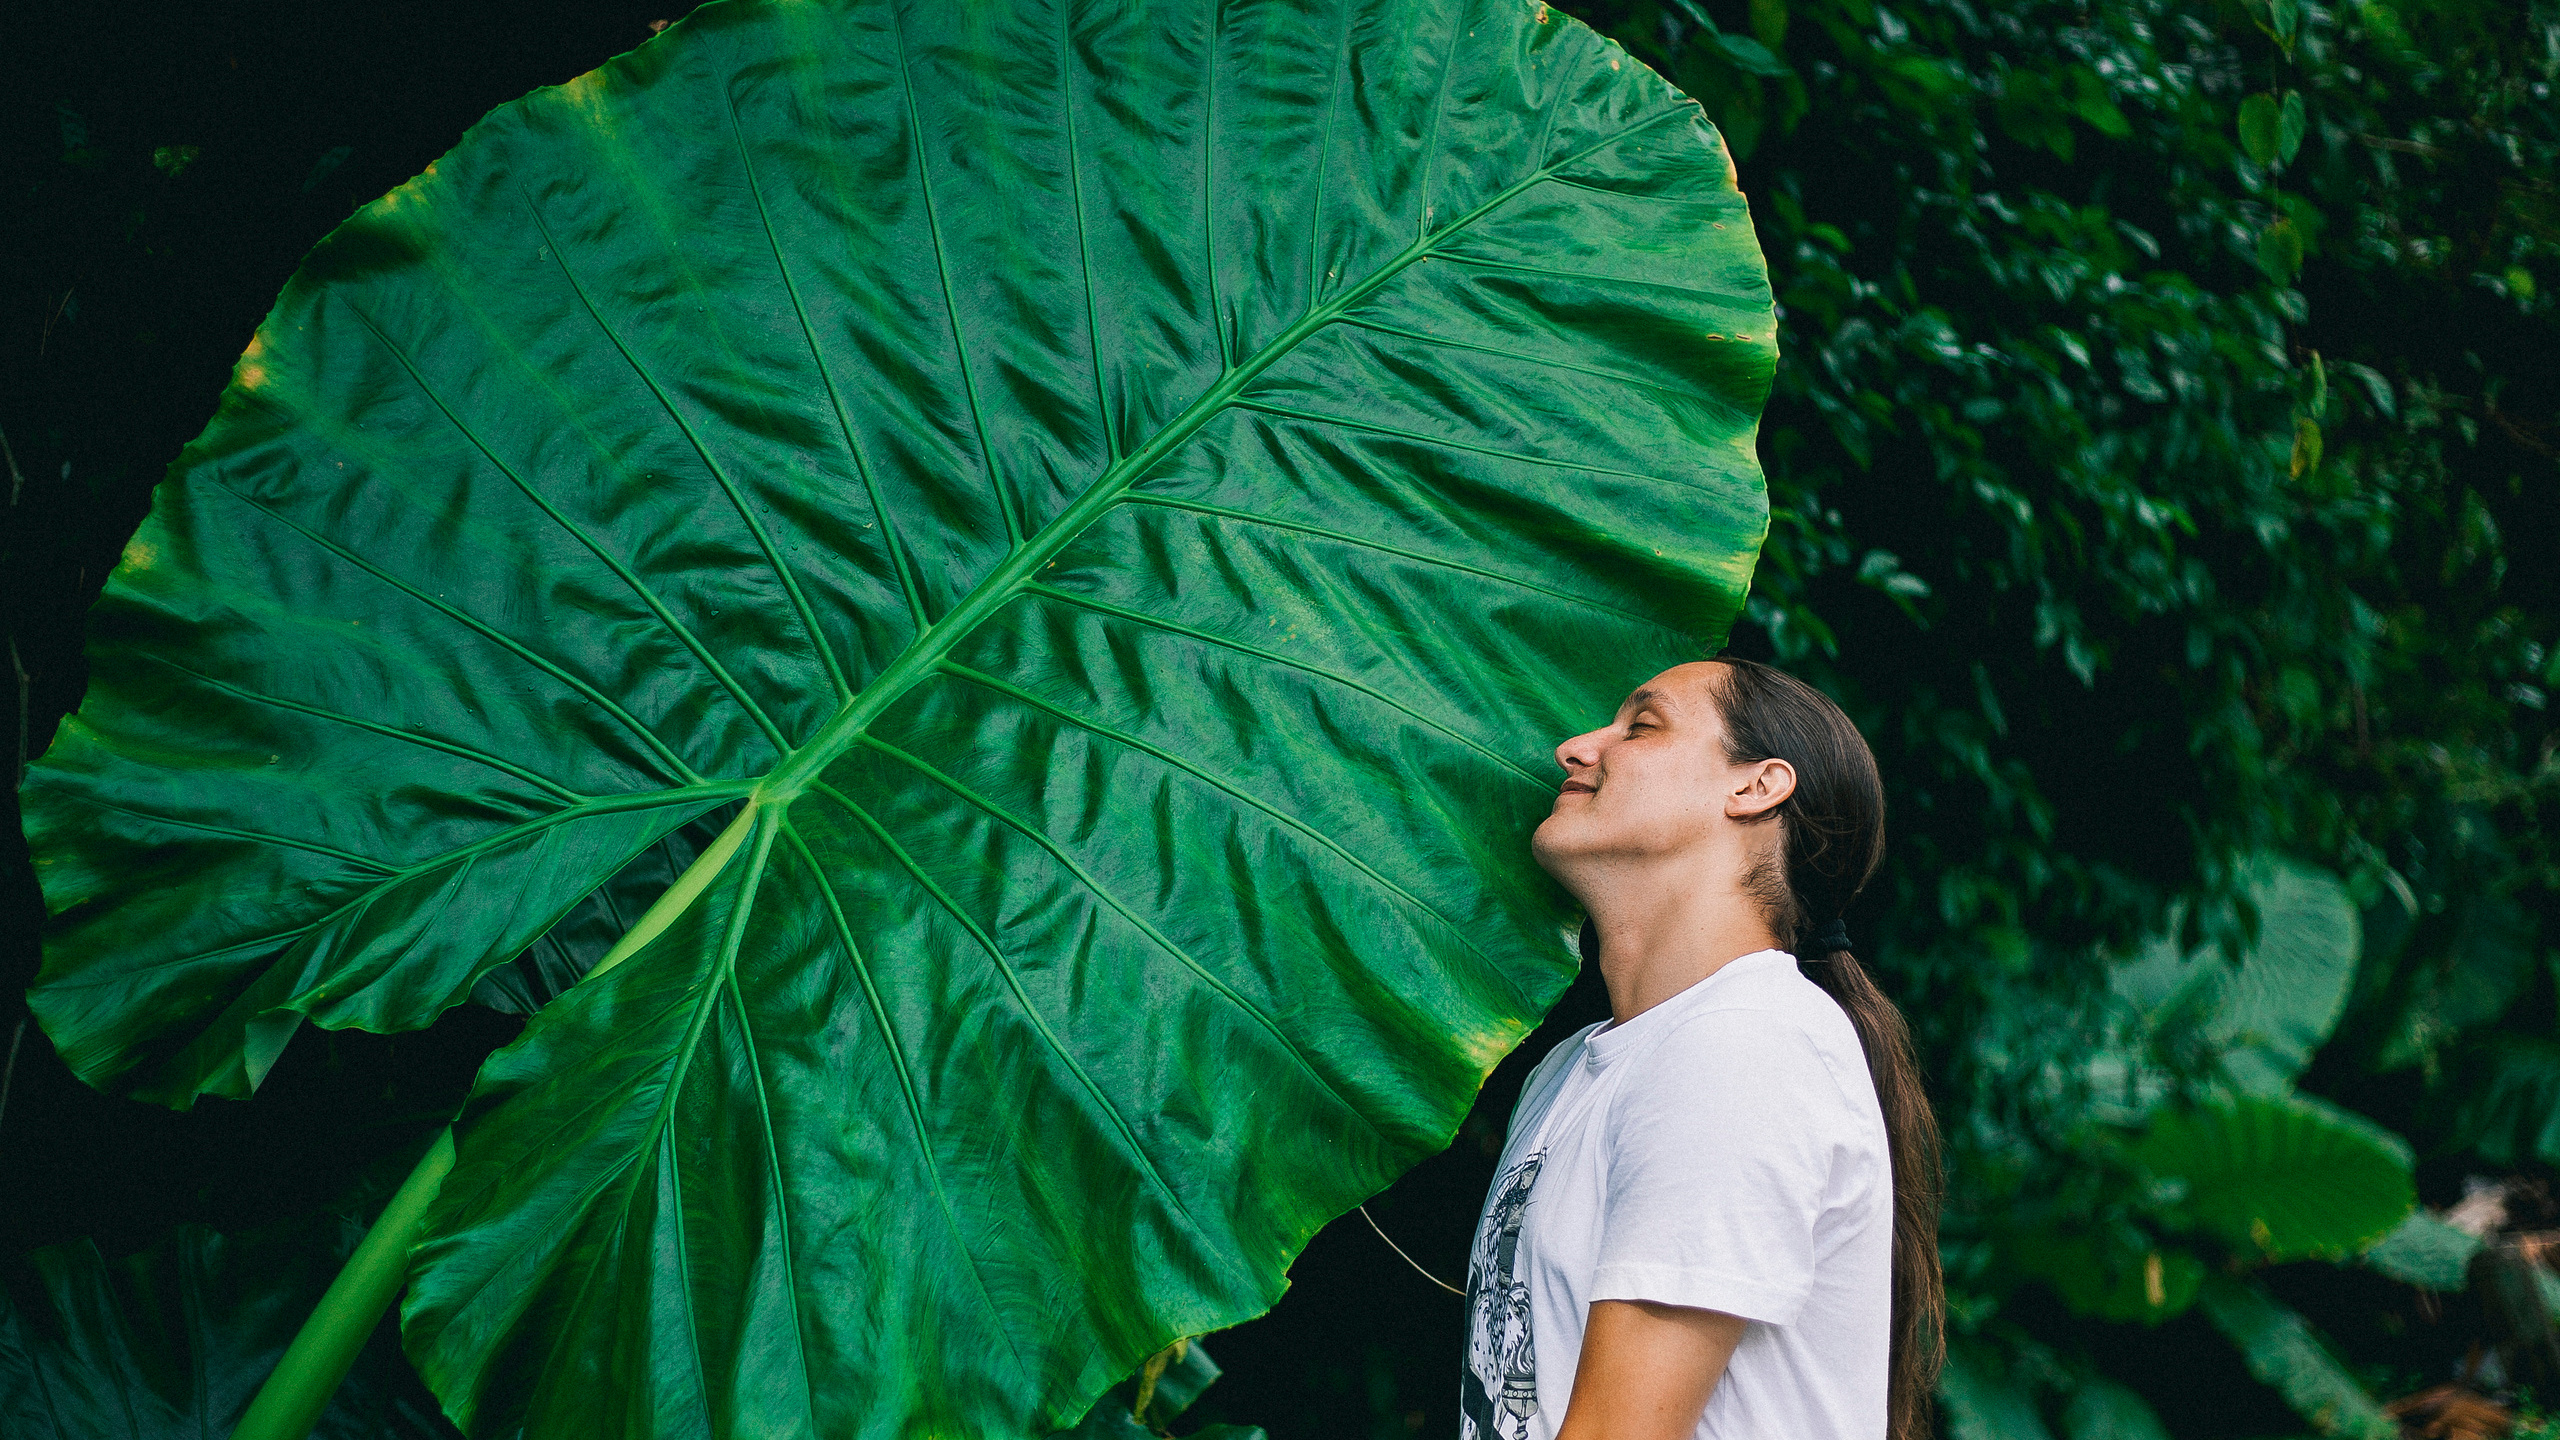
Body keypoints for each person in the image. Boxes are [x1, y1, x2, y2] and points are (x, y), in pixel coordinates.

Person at [1458, 657, 1944, 1440]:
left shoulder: (1744, 1044)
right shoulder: (1575, 1069)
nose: (1577, 747)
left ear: (1755, 787)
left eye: (1640, 727)